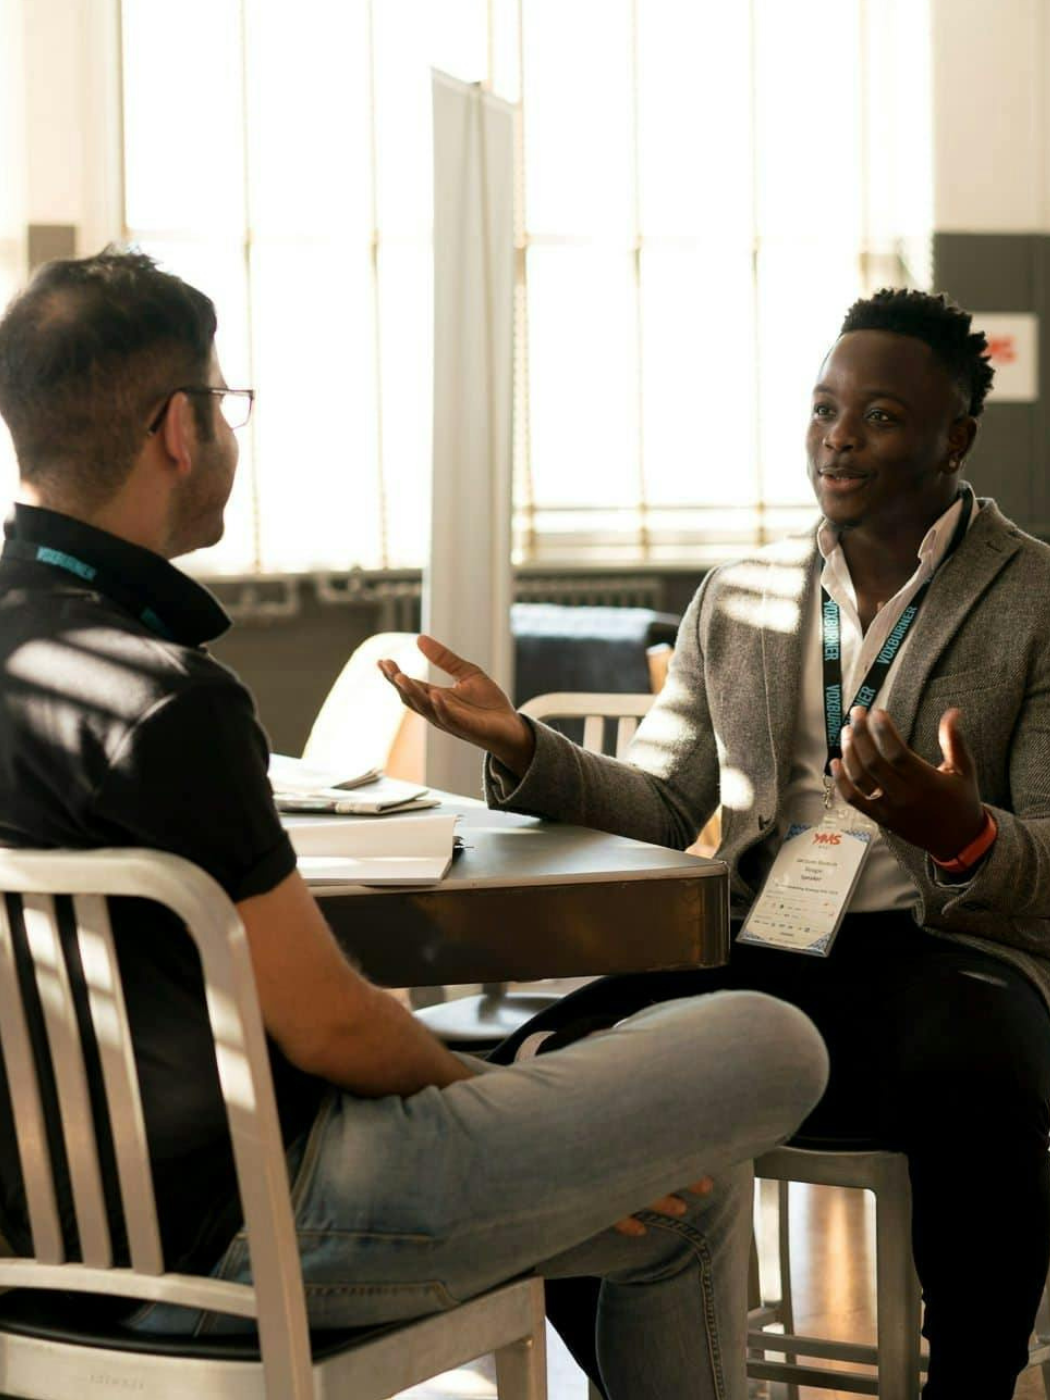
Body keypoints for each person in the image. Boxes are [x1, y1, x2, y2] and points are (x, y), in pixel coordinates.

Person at [0, 248, 829, 1400]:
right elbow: (333, 1028)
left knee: (689, 1189)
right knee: (770, 1037)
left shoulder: (36, 656)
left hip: (34, 1250)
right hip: (253, 1236)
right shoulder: (171, 699)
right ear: (179, 427)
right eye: (228, 399)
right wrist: (492, 1100)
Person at [381, 288, 1050, 1400]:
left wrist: (961, 829)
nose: (838, 436)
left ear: (956, 439)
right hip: (767, 949)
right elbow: (658, 801)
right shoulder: (738, 596)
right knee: (556, 1064)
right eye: (824, 408)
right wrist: (522, 743)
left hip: (950, 954)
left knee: (980, 1067)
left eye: (879, 415)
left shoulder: (1034, 595)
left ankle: (970, 1385)